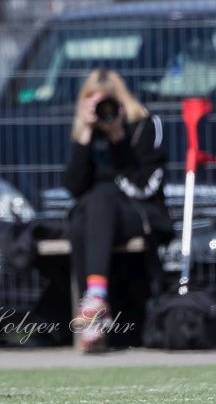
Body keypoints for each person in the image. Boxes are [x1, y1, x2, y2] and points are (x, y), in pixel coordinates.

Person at [62, 68, 173, 352]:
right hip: (95, 219)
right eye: (94, 103)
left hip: (138, 212)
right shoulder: (87, 131)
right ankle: (94, 319)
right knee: (81, 216)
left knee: (100, 198)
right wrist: (84, 136)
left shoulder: (144, 126)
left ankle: (96, 298)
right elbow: (74, 187)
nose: (102, 110)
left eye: (108, 103)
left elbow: (144, 185)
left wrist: (118, 138)